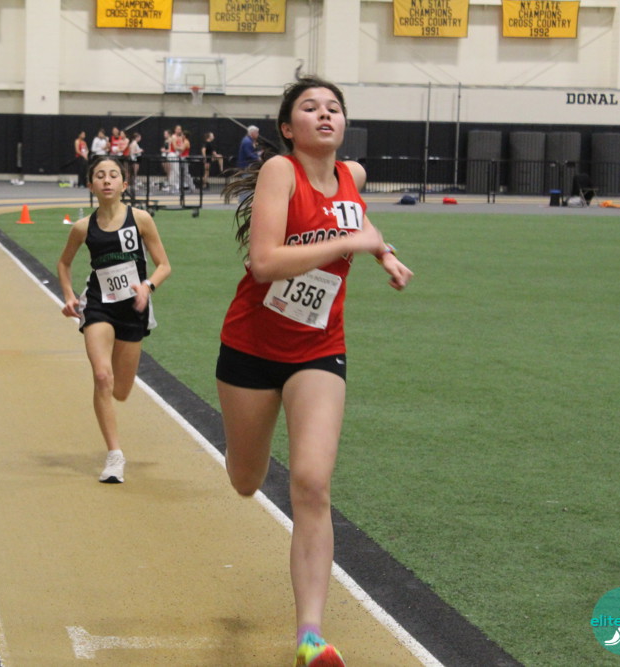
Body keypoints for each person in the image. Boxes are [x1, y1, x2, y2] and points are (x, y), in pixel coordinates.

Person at [217, 76, 413, 667]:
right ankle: (242, 452)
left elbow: (356, 225)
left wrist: (384, 253)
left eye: (333, 108)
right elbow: (264, 263)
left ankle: (310, 636)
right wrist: (353, 242)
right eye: (310, 107)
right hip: (252, 346)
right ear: (288, 127)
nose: (325, 115)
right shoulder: (282, 172)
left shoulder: (353, 176)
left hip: (319, 348)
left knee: (310, 482)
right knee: (245, 481)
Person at [56, 155, 172, 484]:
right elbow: (64, 264)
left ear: (124, 183)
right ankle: (114, 455)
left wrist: (147, 287)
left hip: (133, 308)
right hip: (99, 304)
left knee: (120, 391)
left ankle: (114, 441)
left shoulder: (141, 219)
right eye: (99, 176)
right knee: (102, 375)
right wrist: (69, 296)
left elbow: (164, 265)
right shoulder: (83, 227)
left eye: (113, 175)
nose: (106, 180)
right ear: (90, 185)